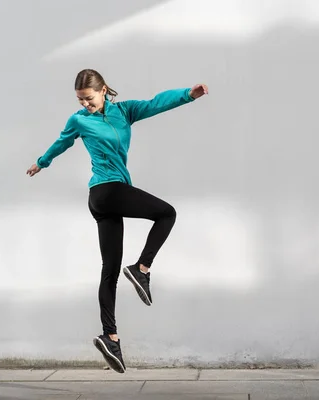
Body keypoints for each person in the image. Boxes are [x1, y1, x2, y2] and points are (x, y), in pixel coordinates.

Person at [26, 69, 208, 373]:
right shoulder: (78, 120)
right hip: (106, 191)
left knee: (109, 269)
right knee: (167, 213)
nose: (85, 105)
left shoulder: (125, 111)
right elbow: (61, 143)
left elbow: (155, 103)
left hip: (105, 199)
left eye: (88, 98)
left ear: (103, 90)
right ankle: (142, 268)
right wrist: (41, 163)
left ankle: (110, 337)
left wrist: (187, 95)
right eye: (80, 100)